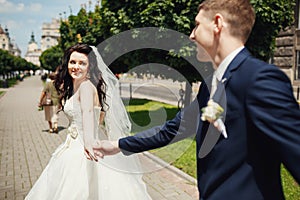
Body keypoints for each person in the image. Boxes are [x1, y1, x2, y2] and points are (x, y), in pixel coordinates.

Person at [93, 0, 300, 199]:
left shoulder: (259, 79)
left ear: (217, 24)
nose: (191, 36)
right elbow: (174, 129)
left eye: (197, 25)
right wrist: (118, 145)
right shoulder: (210, 84)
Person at [26, 43, 152, 200]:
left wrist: (88, 142)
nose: (76, 67)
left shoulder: (86, 87)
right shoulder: (81, 87)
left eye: (82, 63)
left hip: (83, 147)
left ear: (89, 66)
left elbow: (88, 112)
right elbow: (99, 117)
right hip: (77, 143)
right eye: (73, 62)